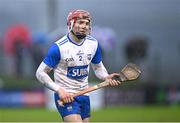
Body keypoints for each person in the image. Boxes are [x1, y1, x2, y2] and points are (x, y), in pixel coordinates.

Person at [36, 9, 121, 122]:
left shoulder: (93, 44)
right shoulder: (58, 48)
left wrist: (106, 76)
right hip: (66, 96)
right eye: (80, 22)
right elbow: (40, 72)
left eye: (87, 23)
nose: (84, 26)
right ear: (71, 24)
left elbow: (98, 68)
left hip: (84, 95)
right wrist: (59, 90)